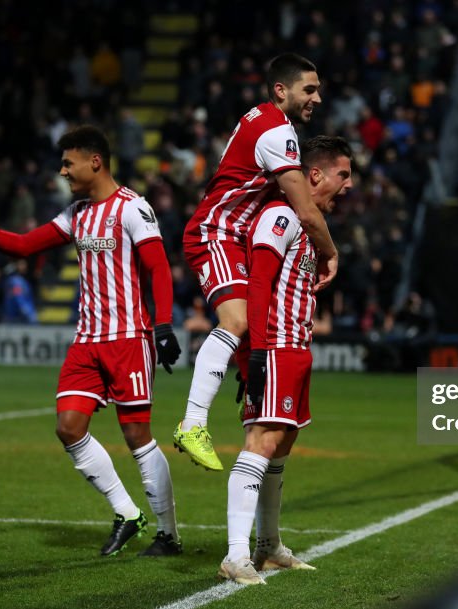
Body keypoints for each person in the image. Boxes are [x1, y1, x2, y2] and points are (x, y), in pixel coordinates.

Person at [0, 125, 184, 558]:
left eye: (69, 163)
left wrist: (162, 327)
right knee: (68, 427)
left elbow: (158, 269)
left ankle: (168, 535)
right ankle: (127, 513)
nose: (62, 170)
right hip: (87, 340)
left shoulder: (132, 208)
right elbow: (25, 245)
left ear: (95, 161)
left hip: (128, 338)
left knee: (137, 435)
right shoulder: (77, 213)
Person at [175, 53, 340, 472]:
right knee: (237, 322)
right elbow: (305, 210)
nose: (317, 98)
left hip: (233, 235)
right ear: (281, 90)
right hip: (217, 233)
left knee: (247, 322)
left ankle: (245, 385)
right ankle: (192, 423)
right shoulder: (276, 132)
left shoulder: (262, 119)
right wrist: (330, 252)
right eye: (309, 89)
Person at [219, 136, 353, 584]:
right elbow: (258, 282)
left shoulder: (308, 226)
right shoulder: (279, 215)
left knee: (282, 444)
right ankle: (236, 554)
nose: (348, 185)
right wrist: (255, 352)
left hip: (296, 348)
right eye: (343, 174)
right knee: (262, 440)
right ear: (314, 175)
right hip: (274, 346)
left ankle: (268, 545)